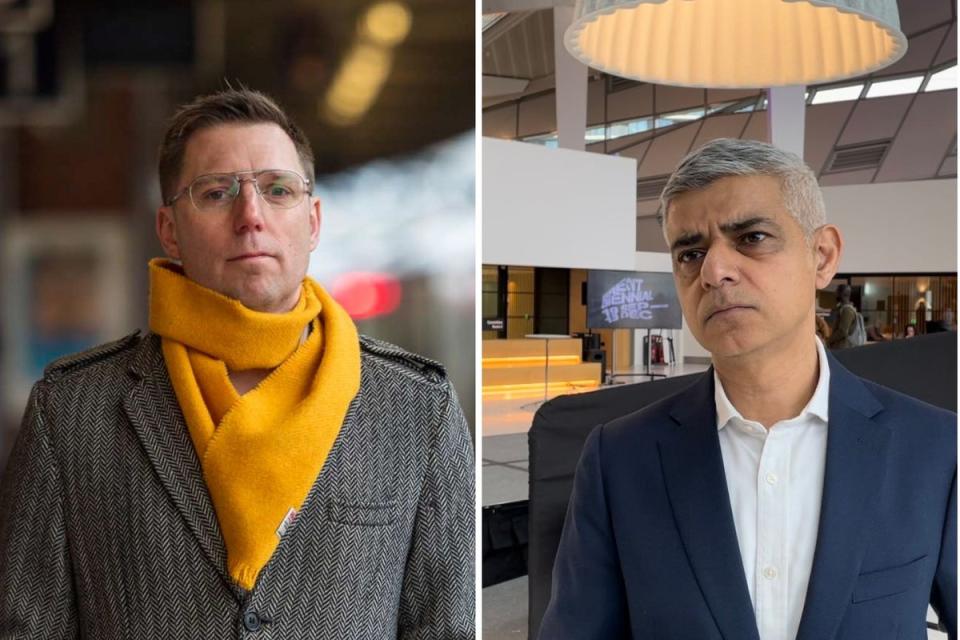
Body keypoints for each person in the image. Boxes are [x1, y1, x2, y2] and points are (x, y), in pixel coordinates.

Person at [0, 88, 475, 638]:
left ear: (313, 221)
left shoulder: (416, 411)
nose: (251, 216)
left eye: (277, 190)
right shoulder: (71, 414)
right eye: (216, 192)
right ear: (170, 230)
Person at [539, 138, 956, 639]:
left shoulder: (933, 448)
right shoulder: (620, 459)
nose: (714, 271)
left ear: (821, 256)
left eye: (753, 238)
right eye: (690, 252)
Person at [827, 283, 860, 349]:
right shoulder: (841, 308)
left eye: (837, 292)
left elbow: (842, 332)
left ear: (842, 294)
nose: (835, 294)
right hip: (840, 347)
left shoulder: (847, 311)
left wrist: (828, 340)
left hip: (843, 348)